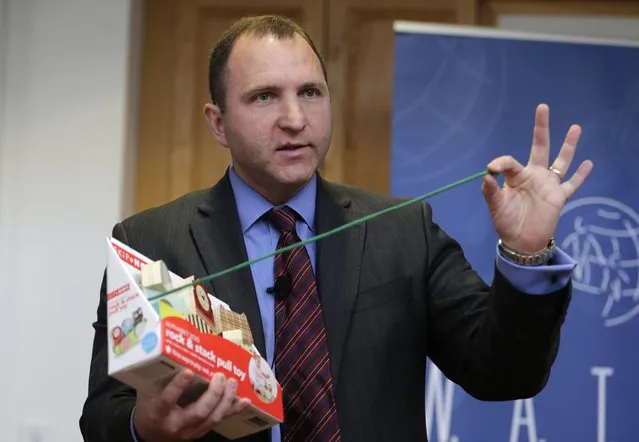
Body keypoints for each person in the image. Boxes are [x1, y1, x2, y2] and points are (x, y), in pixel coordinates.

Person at [79, 14, 593, 442]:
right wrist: (142, 428)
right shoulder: (149, 242)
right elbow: (102, 416)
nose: (294, 118)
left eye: (310, 92)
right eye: (263, 97)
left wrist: (526, 254)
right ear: (218, 122)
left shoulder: (402, 230)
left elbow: (503, 374)